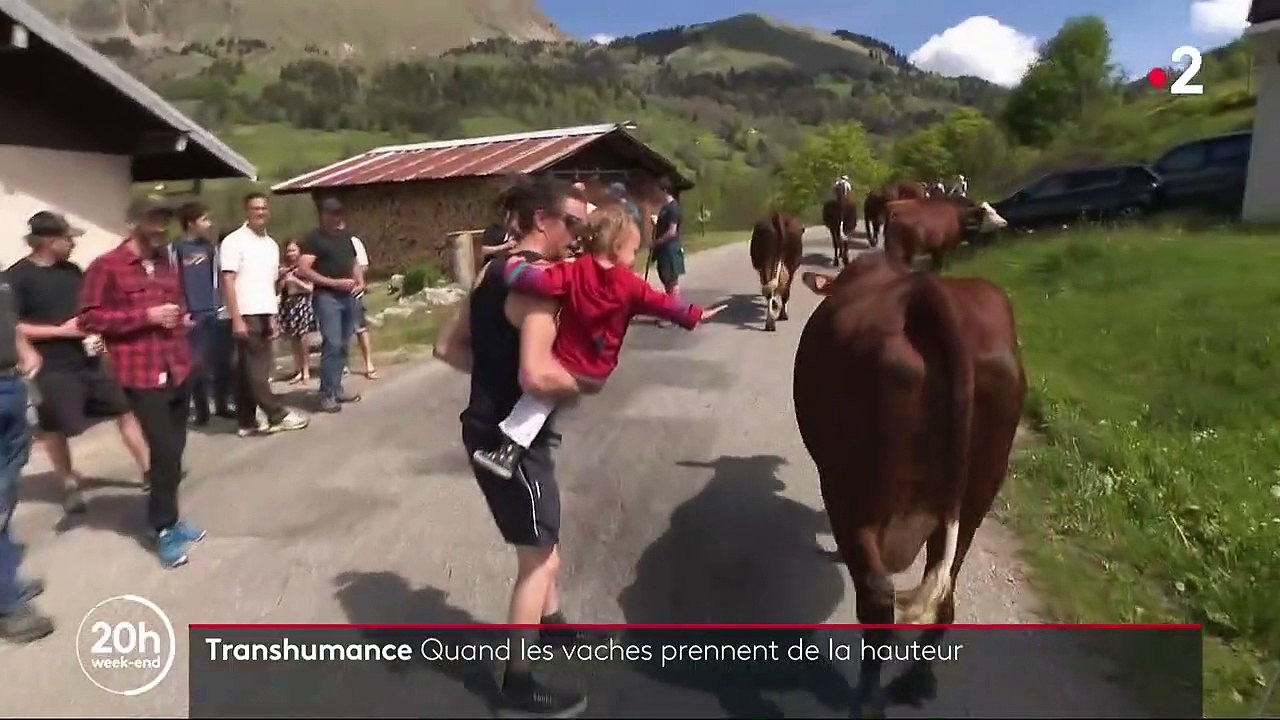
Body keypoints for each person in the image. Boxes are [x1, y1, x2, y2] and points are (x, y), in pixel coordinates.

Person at [433, 175, 591, 718]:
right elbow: (537, 375)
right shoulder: (536, 286)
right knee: (539, 559)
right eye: (572, 223)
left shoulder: (489, 273)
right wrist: (581, 384)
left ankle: (552, 625)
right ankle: (517, 682)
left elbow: (446, 347)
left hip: (485, 426)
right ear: (541, 221)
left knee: (541, 537)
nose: (579, 234)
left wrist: (493, 379)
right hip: (511, 441)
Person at [472, 205, 722, 479]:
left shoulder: (574, 271)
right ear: (616, 246)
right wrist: (695, 314)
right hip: (599, 368)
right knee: (545, 398)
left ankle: (508, 450)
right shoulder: (632, 285)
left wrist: (514, 266)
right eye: (633, 250)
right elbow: (665, 304)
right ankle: (526, 439)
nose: (634, 258)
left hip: (567, 361)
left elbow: (537, 283)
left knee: (536, 396)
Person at [77, 199, 205, 569]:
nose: (161, 226)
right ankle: (163, 527)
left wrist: (181, 322)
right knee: (163, 452)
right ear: (133, 222)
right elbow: (89, 318)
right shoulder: (107, 266)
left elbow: (175, 306)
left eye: (165, 220)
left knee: (175, 453)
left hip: (178, 367)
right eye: (154, 219)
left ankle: (169, 517)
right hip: (141, 372)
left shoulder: (167, 262)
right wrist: (144, 316)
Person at [8, 211, 150, 515]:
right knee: (53, 426)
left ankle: (150, 471)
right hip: (50, 365)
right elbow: (13, 326)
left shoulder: (72, 271)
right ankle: (69, 485)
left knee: (124, 409)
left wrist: (97, 331)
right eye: (67, 238)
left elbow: (89, 309)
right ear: (47, 240)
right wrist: (60, 331)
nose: (73, 243)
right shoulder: (17, 277)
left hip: (88, 359)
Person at [221, 193, 309, 438]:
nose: (260, 212)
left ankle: (246, 421)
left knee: (244, 371)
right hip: (245, 311)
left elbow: (270, 284)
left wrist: (272, 316)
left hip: (264, 309)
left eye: (263, 208)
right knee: (257, 369)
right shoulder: (234, 241)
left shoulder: (271, 245)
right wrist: (236, 317)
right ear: (246, 211)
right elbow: (227, 279)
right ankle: (275, 413)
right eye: (255, 208)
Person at [0, 264, 51, 642]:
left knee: (4, 495)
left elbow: (8, 317)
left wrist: (21, 347)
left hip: (8, 384)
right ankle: (7, 603)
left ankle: (5, 578)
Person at [296, 197, 364, 413]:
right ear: (323, 214)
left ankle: (336, 387)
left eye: (338, 213)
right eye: (331, 213)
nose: (335, 217)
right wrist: (333, 282)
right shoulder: (314, 238)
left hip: (347, 296)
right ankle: (326, 393)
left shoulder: (345, 237)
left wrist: (360, 282)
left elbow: (353, 263)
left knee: (343, 343)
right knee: (332, 343)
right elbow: (303, 269)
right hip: (327, 297)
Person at [172, 202, 233, 427]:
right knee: (196, 363)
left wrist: (219, 305)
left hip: (212, 310)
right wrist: (182, 309)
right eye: (204, 219)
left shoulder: (209, 247)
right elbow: (173, 279)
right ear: (191, 223)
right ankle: (201, 410)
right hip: (191, 313)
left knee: (219, 360)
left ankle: (222, 404)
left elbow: (217, 277)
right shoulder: (176, 247)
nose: (209, 224)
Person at [277, 241, 316, 384]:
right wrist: (282, 279)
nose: (291, 254)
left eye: (293, 250)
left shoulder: (305, 267)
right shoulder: (284, 268)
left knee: (303, 338)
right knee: (293, 339)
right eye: (288, 251)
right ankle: (298, 369)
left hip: (302, 302)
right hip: (288, 304)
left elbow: (310, 288)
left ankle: (306, 370)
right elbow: (279, 289)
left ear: (299, 251)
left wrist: (294, 279)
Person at [348, 233, 377, 380]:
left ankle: (369, 364)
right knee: (339, 332)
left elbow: (363, 265)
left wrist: (355, 280)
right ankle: (343, 365)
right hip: (334, 293)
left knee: (360, 328)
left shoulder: (353, 242)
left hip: (353, 292)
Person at [651, 176, 685, 299]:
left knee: (672, 282)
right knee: (666, 280)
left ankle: (677, 310)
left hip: (670, 249)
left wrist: (657, 242)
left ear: (664, 190)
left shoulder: (673, 208)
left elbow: (672, 231)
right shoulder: (664, 208)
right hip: (663, 251)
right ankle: (672, 309)